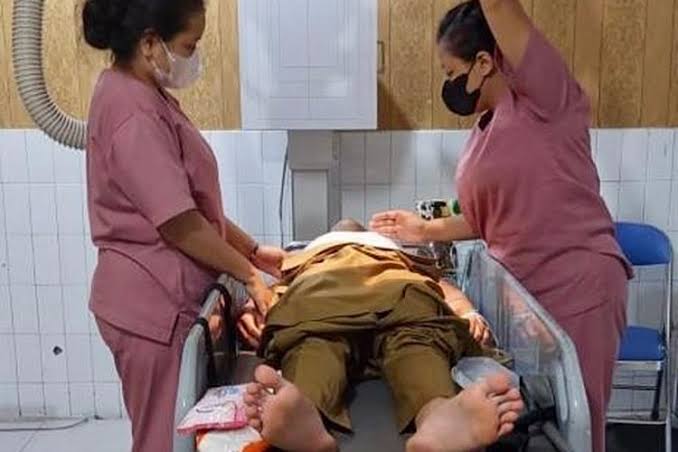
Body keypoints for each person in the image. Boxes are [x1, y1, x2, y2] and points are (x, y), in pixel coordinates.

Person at [370, 2, 632, 451]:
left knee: (580, 428)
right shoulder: (484, 132)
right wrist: (422, 230)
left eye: (450, 72)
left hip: (577, 287)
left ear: (484, 62)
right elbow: (487, 219)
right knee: (546, 428)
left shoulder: (546, 99)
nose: (448, 85)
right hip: (527, 296)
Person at [81, 1, 284, 450]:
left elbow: (188, 203)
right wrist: (250, 276)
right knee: (162, 440)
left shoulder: (142, 94)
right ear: (150, 43)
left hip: (161, 299)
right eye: (189, 46)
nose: (194, 58)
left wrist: (253, 252)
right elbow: (179, 223)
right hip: (150, 308)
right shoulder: (132, 112)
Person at [238, 219, 523, 452]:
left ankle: (308, 406)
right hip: (400, 291)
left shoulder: (305, 263)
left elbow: (268, 300)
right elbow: (444, 290)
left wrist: (252, 311)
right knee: (418, 344)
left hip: (319, 295)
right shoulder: (399, 259)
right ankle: (436, 414)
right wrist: (468, 312)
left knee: (313, 345)